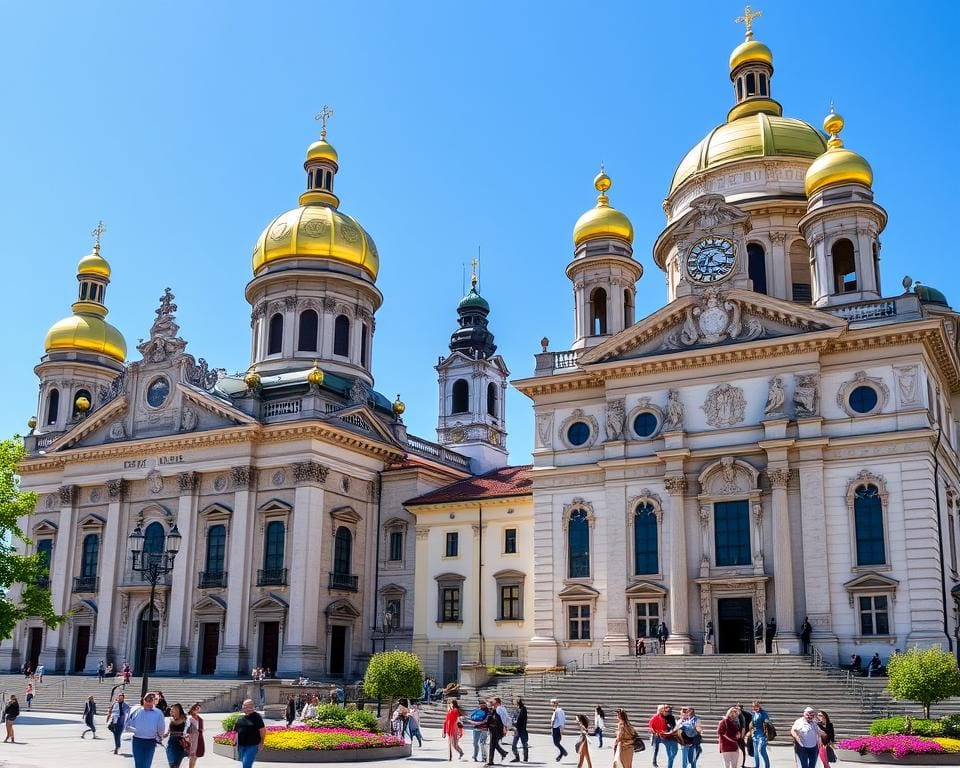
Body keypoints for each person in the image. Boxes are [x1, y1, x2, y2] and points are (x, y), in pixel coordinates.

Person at [125, 692, 166, 768]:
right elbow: (128, 724)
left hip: (150, 741)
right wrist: (135, 730)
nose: (148, 701)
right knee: (138, 764)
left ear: (154, 701)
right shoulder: (136, 710)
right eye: (146, 699)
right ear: (143, 700)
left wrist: (159, 737)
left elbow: (161, 727)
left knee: (147, 763)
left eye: (151, 699)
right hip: (137, 740)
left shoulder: (158, 713)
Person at [234, 699, 265, 768]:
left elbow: (262, 730)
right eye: (246, 706)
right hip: (241, 746)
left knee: (246, 765)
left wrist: (262, 742)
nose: (248, 708)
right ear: (243, 707)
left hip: (252, 745)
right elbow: (236, 731)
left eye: (250, 706)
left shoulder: (257, 717)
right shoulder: (240, 718)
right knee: (244, 763)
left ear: (253, 707)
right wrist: (235, 741)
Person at [166, 703, 190, 768]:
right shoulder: (173, 718)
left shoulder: (183, 717)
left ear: (179, 709)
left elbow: (177, 723)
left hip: (179, 741)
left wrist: (171, 719)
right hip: (171, 741)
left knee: (176, 762)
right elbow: (169, 729)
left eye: (176, 708)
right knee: (171, 761)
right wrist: (166, 734)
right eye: (173, 708)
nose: (174, 709)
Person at [486, 698, 508, 765]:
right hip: (493, 728)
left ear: (497, 702)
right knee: (493, 744)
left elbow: (504, 718)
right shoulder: (496, 708)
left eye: (493, 701)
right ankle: (503, 753)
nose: (492, 702)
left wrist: (505, 727)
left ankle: (491, 761)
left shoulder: (499, 708)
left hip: (496, 729)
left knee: (492, 744)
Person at [748, 701, 770, 768]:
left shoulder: (764, 713)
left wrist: (766, 735)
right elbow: (752, 724)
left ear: (759, 705)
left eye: (756, 705)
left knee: (762, 751)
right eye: (753, 706)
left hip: (762, 735)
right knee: (755, 752)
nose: (754, 707)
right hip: (755, 734)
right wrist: (751, 733)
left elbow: (768, 724)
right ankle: (756, 766)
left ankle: (767, 766)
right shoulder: (754, 713)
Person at [186, 702, 206, 768]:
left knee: (196, 756)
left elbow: (201, 729)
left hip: (199, 738)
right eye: (196, 708)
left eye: (198, 708)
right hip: (191, 739)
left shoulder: (200, 719)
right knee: (192, 756)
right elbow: (186, 730)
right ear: (192, 709)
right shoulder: (189, 718)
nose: (197, 710)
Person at [511, 696, 529, 763]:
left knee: (524, 744)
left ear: (518, 701)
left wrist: (515, 721)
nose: (513, 701)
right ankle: (517, 757)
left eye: (514, 700)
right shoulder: (516, 709)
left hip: (522, 729)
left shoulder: (523, 709)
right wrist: (513, 722)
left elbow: (521, 719)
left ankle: (525, 759)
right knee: (513, 746)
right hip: (516, 729)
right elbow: (513, 718)